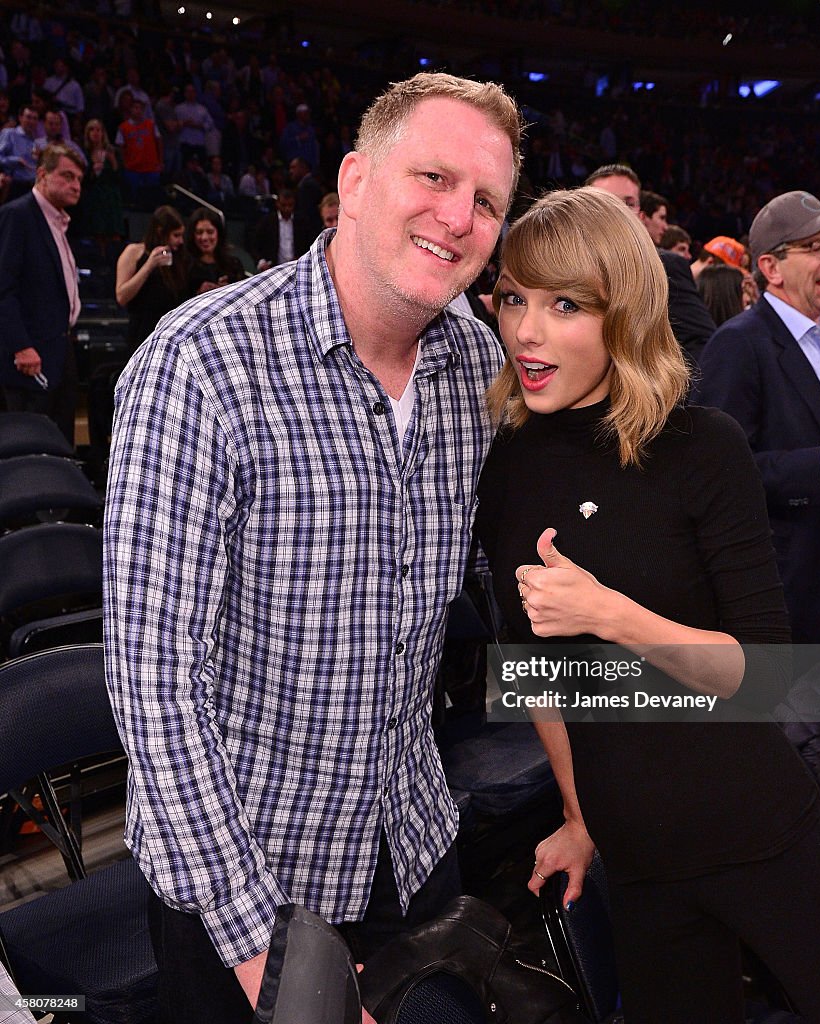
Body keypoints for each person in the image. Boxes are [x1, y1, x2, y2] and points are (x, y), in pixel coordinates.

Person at [103, 71, 521, 1024]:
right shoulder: (198, 363)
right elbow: (155, 685)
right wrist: (269, 962)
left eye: (486, 201)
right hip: (246, 878)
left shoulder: (474, 367)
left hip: (410, 837)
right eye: (434, 178)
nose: (457, 218)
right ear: (357, 181)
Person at [475, 186, 820, 1024]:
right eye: (512, 298)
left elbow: (759, 680)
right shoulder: (508, 467)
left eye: (565, 304)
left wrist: (609, 612)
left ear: (622, 311)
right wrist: (576, 814)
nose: (526, 330)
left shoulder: (703, 447)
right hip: (636, 857)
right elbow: (539, 677)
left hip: (753, 823)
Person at [699, 191, 820, 646]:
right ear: (770, 267)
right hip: (780, 593)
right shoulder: (740, 344)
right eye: (817, 248)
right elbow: (720, 474)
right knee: (781, 717)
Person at [585, 163, 715, 367]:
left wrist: (665, 392)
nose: (619, 210)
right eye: (606, 201)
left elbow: (701, 346)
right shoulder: (563, 268)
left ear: (640, 214)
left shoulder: (666, 267)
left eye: (629, 203)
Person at [0, 142, 84, 442]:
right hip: (30, 355)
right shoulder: (18, 215)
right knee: (30, 447)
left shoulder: (58, 223)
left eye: (79, 180)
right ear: (42, 175)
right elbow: (3, 288)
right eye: (67, 176)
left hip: (61, 348)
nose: (75, 185)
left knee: (59, 443)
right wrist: (20, 345)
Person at [115, 205, 187, 352]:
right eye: (176, 235)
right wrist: (149, 265)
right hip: (142, 335)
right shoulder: (133, 252)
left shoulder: (179, 256)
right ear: (161, 232)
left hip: (171, 336)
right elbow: (122, 296)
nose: (180, 241)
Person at [77, 118, 124, 251]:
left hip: (110, 196)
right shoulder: (83, 153)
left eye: (99, 130)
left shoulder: (113, 152)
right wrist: (93, 169)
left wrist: (113, 161)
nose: (96, 133)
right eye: (92, 130)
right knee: (97, 233)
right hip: (93, 197)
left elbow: (120, 177)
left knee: (114, 234)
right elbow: (83, 179)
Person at [250, 186, 317, 271]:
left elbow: (310, 244)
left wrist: (302, 258)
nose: (287, 209)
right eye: (283, 205)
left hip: (297, 268)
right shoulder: (267, 221)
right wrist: (261, 261)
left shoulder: (302, 222)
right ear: (277, 203)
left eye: (290, 205)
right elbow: (254, 244)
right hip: (272, 268)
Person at [183, 207, 245, 295]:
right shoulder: (184, 266)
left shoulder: (233, 265)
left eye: (210, 232)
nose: (204, 238)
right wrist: (198, 293)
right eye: (199, 232)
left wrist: (229, 291)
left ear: (218, 234)